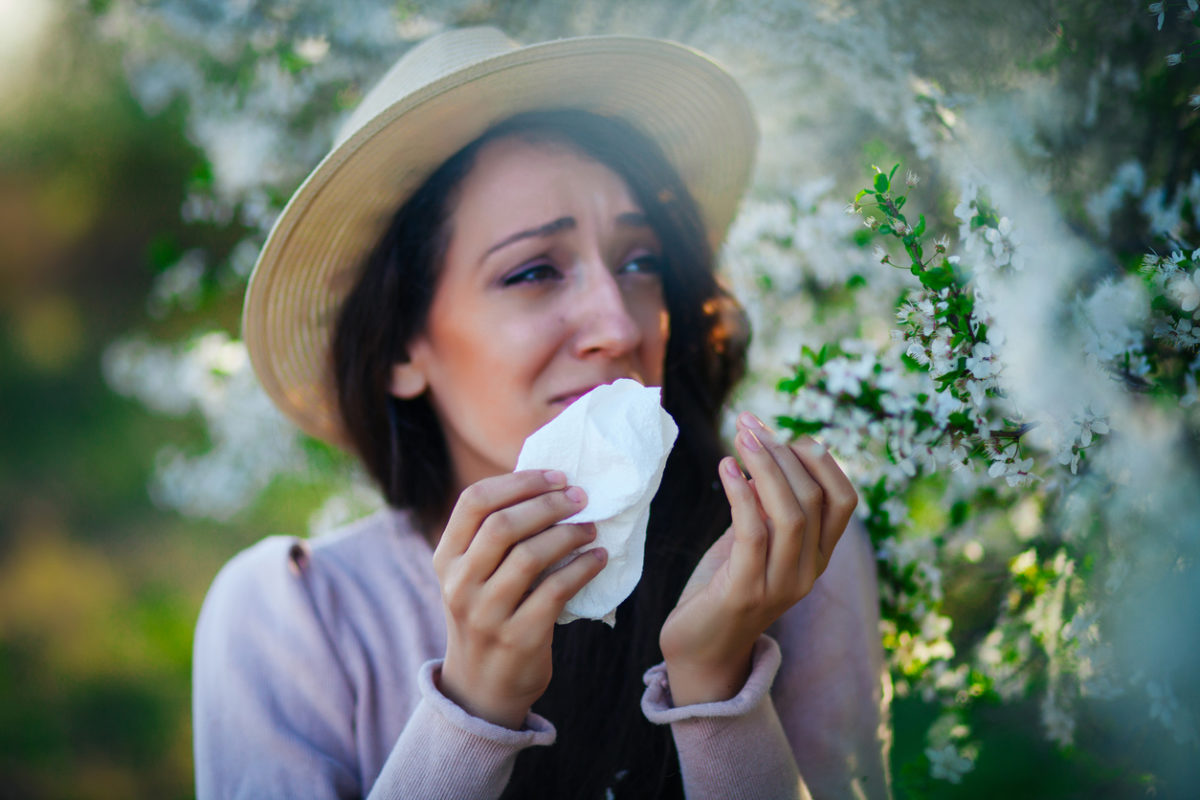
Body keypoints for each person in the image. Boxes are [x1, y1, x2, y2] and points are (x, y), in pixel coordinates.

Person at [193, 26, 890, 800]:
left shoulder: (788, 563)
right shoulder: (293, 620)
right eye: (532, 272)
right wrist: (473, 707)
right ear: (400, 347)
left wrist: (717, 686)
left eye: (640, 263)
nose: (619, 327)